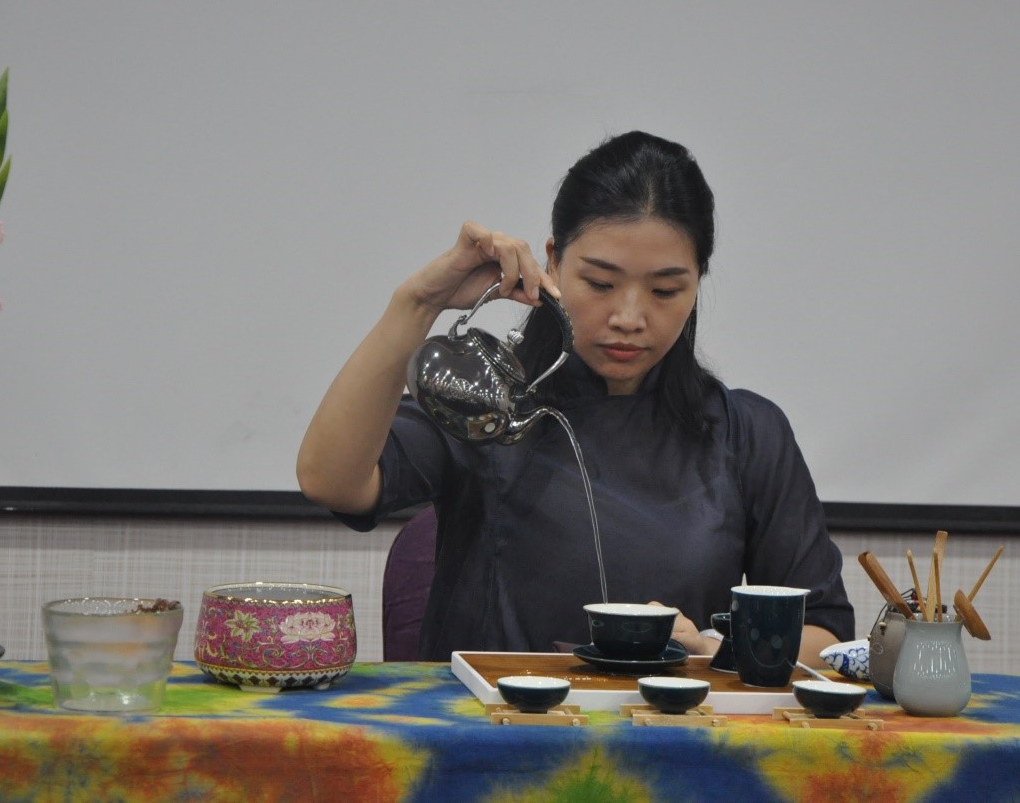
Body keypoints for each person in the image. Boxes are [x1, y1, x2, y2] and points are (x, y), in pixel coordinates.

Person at [297, 131, 854, 664]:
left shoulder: (747, 433)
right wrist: (419, 303)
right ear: (554, 261)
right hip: (496, 725)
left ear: (697, 282)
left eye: (665, 290)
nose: (629, 318)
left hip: (667, 728)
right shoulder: (490, 402)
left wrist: (716, 654)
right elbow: (332, 481)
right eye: (601, 283)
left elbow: (824, 633)